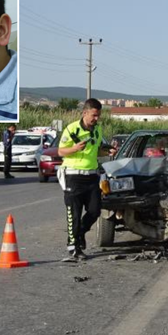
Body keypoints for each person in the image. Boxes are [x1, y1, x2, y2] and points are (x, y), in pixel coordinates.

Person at [57, 98, 104, 262]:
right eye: (94, 115)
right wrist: (74, 148)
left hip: (91, 176)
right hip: (73, 176)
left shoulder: (97, 130)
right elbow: (61, 152)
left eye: (98, 116)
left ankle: (81, 232)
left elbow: (96, 150)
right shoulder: (72, 129)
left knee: (95, 210)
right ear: (85, 113)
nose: (96, 119)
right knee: (74, 214)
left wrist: (109, 150)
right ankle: (74, 247)